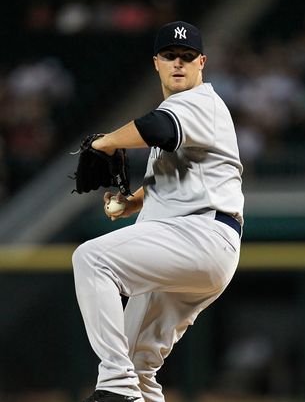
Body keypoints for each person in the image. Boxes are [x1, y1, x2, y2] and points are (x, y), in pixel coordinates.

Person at [72, 20, 244, 402]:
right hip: (191, 245)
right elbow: (172, 180)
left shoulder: (200, 103)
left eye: (186, 56)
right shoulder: (183, 112)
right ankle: (126, 384)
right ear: (156, 62)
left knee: (92, 259)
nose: (178, 63)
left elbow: (158, 127)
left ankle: (114, 386)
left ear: (202, 62)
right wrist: (131, 202)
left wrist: (102, 143)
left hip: (200, 236)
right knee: (140, 365)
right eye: (170, 56)